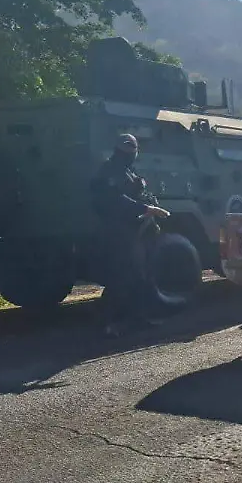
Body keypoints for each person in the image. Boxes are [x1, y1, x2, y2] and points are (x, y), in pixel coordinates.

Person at [90, 134, 170, 336]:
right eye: (129, 150)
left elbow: (136, 192)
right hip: (117, 232)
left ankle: (138, 318)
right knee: (121, 277)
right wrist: (146, 208)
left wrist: (149, 206)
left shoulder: (126, 170)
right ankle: (108, 323)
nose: (131, 154)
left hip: (134, 230)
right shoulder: (109, 171)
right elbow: (112, 201)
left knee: (139, 275)